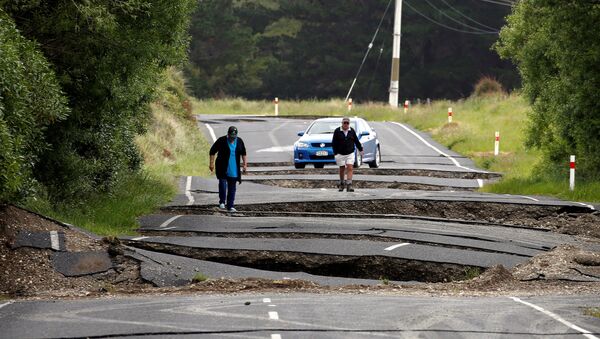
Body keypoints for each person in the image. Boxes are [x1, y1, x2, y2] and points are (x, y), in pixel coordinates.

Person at [209, 126, 247, 212]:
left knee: (232, 187)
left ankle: (230, 206)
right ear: (228, 134)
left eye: (234, 137)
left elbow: (243, 153)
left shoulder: (239, 141)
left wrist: (245, 165)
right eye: (231, 137)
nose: (232, 139)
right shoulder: (221, 140)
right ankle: (222, 202)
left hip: (234, 168)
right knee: (222, 184)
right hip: (222, 167)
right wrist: (211, 164)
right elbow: (212, 151)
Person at [331, 117, 363, 192]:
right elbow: (333, 143)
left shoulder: (352, 131)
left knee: (350, 167)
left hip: (350, 153)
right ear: (342, 123)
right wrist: (335, 153)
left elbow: (356, 141)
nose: (346, 124)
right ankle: (342, 183)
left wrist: (360, 149)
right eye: (344, 123)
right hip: (340, 153)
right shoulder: (337, 131)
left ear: (349, 124)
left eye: (347, 123)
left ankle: (349, 185)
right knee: (342, 168)